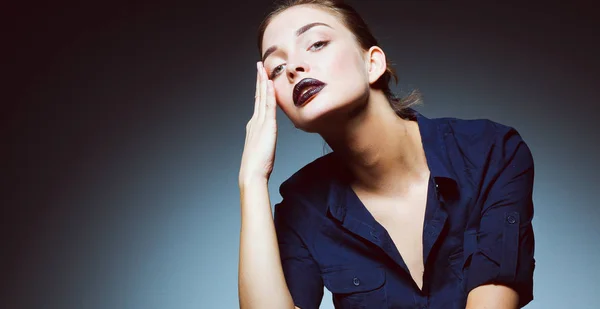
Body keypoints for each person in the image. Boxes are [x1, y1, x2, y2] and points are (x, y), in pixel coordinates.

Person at [238, 1, 535, 308]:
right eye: (276, 68)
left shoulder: (492, 152)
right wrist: (252, 180)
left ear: (373, 64)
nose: (294, 69)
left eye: (316, 44)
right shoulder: (303, 207)